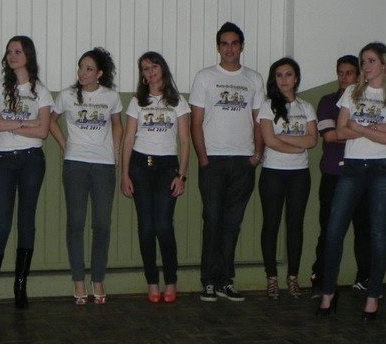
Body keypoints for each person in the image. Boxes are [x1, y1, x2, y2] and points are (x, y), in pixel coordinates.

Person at [317, 42, 386, 319]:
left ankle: (372, 296)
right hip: (353, 166)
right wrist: (375, 127)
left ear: (383, 64)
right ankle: (328, 292)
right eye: (363, 61)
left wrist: (358, 126)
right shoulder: (351, 92)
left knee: (378, 232)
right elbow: (340, 131)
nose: (365, 66)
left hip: (383, 167)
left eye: (370, 61)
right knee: (334, 230)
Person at [189, 22, 265, 302]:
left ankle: (225, 280)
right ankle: (209, 281)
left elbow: (260, 121)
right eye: (224, 44)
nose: (230, 48)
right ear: (218, 47)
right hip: (213, 161)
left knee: (233, 223)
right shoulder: (205, 77)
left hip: (243, 161)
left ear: (241, 46)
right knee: (213, 220)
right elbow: (195, 123)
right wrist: (203, 158)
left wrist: (256, 157)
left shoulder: (254, 78)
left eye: (234, 43)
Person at [0, 36, 53, 311]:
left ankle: (20, 286)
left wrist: (7, 122)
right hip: (3, 160)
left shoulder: (41, 91)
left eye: (18, 51)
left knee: (26, 223)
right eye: (9, 51)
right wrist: (26, 122)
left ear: (28, 56)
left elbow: (43, 131)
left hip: (32, 160)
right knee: (2, 224)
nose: (12, 55)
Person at [50, 47, 123, 305]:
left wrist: (115, 153)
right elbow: (51, 121)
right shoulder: (67, 95)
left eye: (89, 69)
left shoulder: (111, 97)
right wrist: (65, 145)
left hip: (103, 165)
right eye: (81, 67)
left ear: (100, 73)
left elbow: (117, 124)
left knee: (102, 223)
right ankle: (79, 279)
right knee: (76, 222)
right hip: (76, 165)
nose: (82, 73)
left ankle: (98, 278)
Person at [120, 52, 190, 303]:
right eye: (145, 69)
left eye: (154, 66)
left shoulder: (178, 101)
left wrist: (182, 176)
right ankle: (152, 281)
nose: (150, 72)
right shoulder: (137, 102)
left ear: (163, 69)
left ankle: (171, 280)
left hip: (167, 168)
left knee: (163, 225)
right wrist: (124, 174)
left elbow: (185, 141)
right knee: (146, 228)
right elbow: (128, 139)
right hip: (140, 166)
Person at [310, 55, 371, 299]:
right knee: (329, 229)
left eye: (349, 73)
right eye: (340, 73)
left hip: (363, 173)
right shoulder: (328, 102)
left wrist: (353, 130)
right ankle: (322, 280)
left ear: (359, 76)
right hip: (334, 175)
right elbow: (330, 136)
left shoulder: (369, 101)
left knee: (364, 229)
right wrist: (370, 132)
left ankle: (365, 279)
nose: (344, 78)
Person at [257, 57, 317, 299]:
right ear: (274, 79)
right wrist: (296, 146)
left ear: (296, 78)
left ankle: (293, 277)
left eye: (289, 74)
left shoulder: (306, 107)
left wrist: (284, 138)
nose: (284, 80)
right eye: (279, 75)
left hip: (299, 174)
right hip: (273, 172)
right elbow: (269, 141)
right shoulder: (267, 106)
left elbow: (312, 140)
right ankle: (271, 278)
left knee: (295, 225)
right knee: (271, 224)